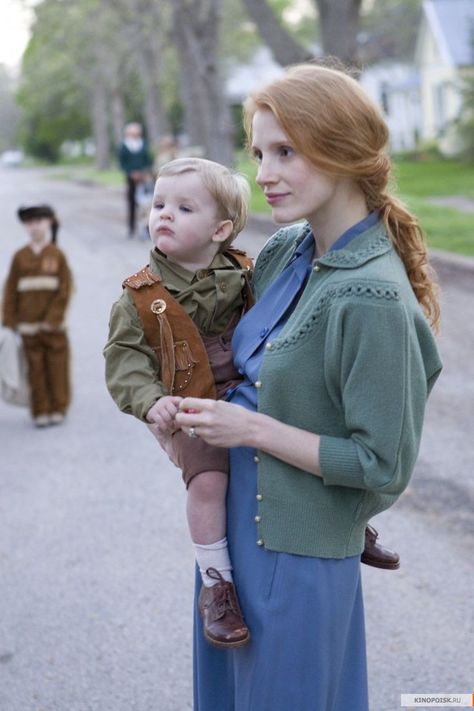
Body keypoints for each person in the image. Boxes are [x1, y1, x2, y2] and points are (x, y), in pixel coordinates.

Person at [164, 63, 443, 710]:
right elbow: (247, 372)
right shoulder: (286, 248)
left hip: (301, 555)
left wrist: (250, 429)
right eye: (259, 151)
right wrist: (184, 413)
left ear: (342, 150)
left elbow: (381, 465)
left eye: (285, 151)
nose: (262, 172)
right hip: (234, 533)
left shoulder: (370, 294)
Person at [104, 157, 254, 648]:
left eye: (184, 207)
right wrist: (152, 403)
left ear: (221, 230)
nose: (164, 214)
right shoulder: (140, 296)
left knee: (298, 442)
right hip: (191, 406)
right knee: (208, 481)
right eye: (159, 203)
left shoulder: (246, 272)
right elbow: (124, 358)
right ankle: (217, 583)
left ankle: (346, 521)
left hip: (255, 393)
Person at [2, 204, 73, 427]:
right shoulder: (20, 257)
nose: (34, 227)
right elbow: (10, 290)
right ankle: (40, 409)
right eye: (30, 223)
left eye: (39, 222)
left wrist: (53, 319)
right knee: (35, 370)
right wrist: (9, 322)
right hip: (28, 327)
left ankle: (58, 408)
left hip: (53, 328)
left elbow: (64, 290)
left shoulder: (56, 255)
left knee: (57, 367)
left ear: (49, 223)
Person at [118, 122, 154, 238]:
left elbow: (148, 159)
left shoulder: (143, 143)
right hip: (131, 177)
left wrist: (145, 172)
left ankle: (146, 227)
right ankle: (131, 228)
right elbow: (122, 162)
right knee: (132, 202)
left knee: (146, 203)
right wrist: (131, 172)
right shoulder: (124, 145)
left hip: (144, 177)